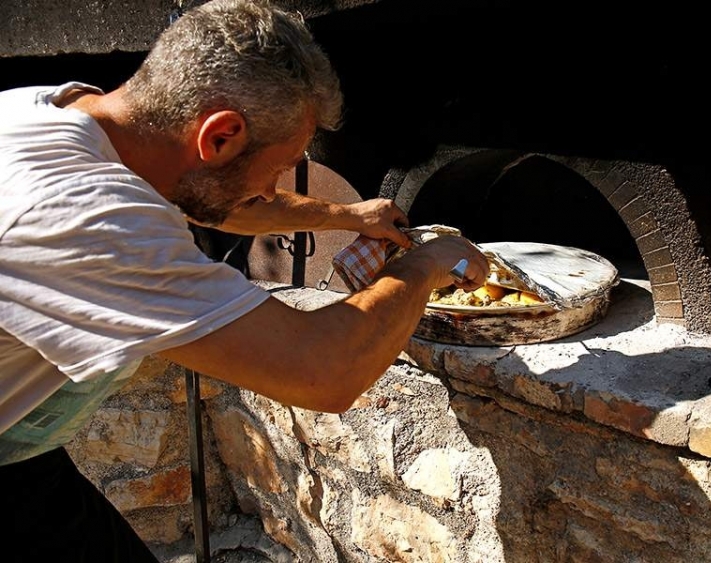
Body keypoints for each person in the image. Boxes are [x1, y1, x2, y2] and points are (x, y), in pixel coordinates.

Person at [0, 0, 489, 561]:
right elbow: (323, 372)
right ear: (220, 136)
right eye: (280, 164)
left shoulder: (56, 112)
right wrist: (425, 264)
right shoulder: (90, 215)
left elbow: (210, 199)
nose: (275, 181)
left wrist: (347, 217)